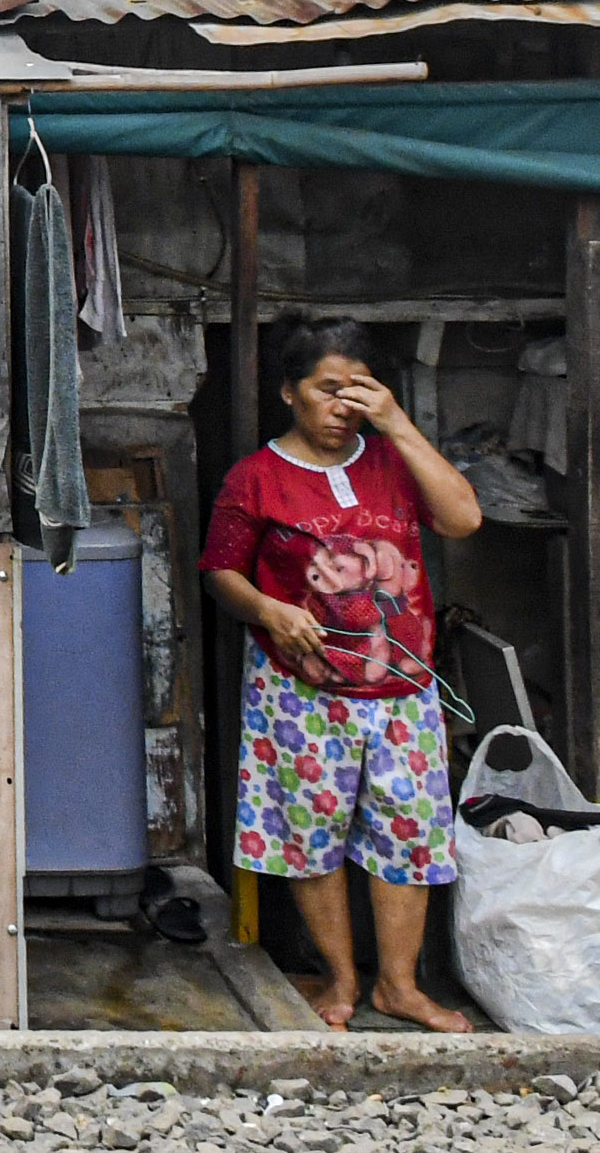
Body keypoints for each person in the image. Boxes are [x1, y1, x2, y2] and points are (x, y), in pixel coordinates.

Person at [199, 317, 485, 1030]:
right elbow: (218, 572)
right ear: (290, 391)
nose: (340, 407)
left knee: (409, 835)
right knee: (311, 835)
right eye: (327, 390)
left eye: (355, 392)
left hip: (402, 691)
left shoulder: (392, 461)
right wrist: (268, 608)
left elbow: (463, 517)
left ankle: (400, 985)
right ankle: (341, 979)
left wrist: (399, 424)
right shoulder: (256, 477)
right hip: (301, 695)